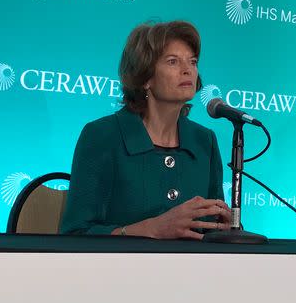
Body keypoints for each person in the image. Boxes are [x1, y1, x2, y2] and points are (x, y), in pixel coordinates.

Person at [59, 20, 231, 239]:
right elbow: (75, 234)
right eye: (172, 62)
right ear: (146, 78)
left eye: (193, 62)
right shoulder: (102, 136)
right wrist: (151, 229)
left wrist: (225, 228)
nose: (188, 70)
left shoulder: (204, 141)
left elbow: (212, 232)